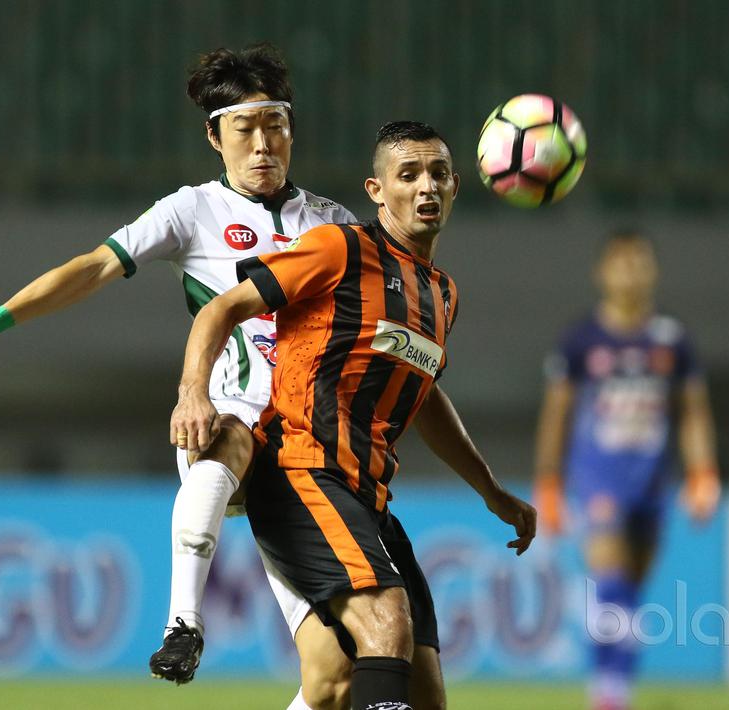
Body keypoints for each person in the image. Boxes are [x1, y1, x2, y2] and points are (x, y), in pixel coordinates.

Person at [0, 43, 359, 697]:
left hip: (308, 451)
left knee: (335, 675)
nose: (262, 146)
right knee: (226, 427)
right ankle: (183, 622)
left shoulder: (334, 224)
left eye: (274, 126)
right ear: (213, 136)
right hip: (220, 423)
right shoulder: (191, 211)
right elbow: (93, 267)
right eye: (244, 129)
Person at [171, 121, 537, 710]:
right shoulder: (339, 248)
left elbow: (424, 399)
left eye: (438, 175)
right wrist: (194, 393)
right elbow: (221, 309)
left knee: (420, 688)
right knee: (384, 622)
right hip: (301, 470)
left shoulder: (441, 295)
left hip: (367, 494)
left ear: (457, 186)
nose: (425, 188)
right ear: (376, 189)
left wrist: (491, 491)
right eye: (408, 175)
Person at [531, 231, 721, 710]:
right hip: (598, 479)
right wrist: (549, 483)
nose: (631, 271)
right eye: (621, 263)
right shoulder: (581, 341)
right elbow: (558, 416)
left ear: (653, 270)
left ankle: (618, 684)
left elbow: (693, 411)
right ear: (602, 273)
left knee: (632, 592)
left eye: (639, 262)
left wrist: (702, 473)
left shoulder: (673, 341)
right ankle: (609, 692)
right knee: (611, 582)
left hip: (653, 482)